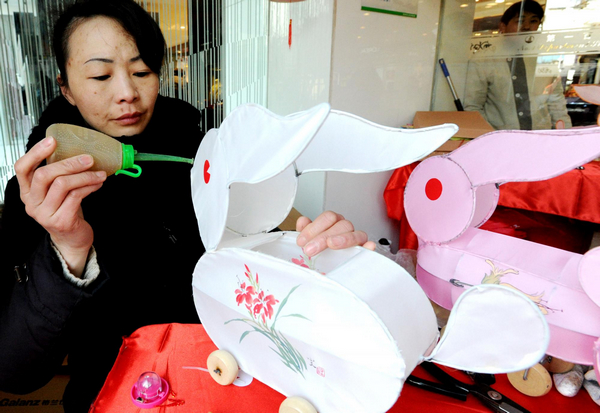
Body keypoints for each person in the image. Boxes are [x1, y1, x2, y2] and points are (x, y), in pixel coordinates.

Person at [0, 1, 374, 411]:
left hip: (236, 378)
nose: (127, 93)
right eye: (100, 75)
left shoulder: (206, 154)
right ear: (66, 87)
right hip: (118, 396)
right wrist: (68, 251)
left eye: (142, 72)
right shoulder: (41, 191)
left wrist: (315, 251)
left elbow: (274, 244)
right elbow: (17, 372)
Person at [464, 0, 572, 130]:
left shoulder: (543, 59)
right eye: (520, 21)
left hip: (539, 140)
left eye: (533, 21)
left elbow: (556, 105)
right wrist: (490, 137)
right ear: (503, 27)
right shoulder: (484, 60)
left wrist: (565, 136)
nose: (527, 27)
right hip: (499, 141)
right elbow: (472, 107)